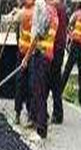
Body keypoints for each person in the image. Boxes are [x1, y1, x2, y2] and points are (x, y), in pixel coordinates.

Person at [20, 0, 58, 138]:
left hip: (41, 56)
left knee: (39, 92)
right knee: (39, 91)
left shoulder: (44, 11)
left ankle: (41, 130)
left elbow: (36, 36)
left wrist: (26, 58)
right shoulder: (53, 11)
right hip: (47, 56)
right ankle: (39, 125)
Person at [61, 1, 81, 106]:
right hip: (80, 46)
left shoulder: (78, 14)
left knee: (68, 69)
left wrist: (71, 34)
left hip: (76, 45)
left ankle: (59, 91)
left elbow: (70, 25)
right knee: (80, 73)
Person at [14, 0, 35, 125]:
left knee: (20, 83)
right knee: (30, 85)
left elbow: (15, 20)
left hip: (24, 52)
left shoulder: (22, 13)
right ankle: (29, 115)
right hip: (31, 54)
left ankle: (18, 113)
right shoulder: (35, 12)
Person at [48, 0, 67, 124]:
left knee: (51, 81)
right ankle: (56, 113)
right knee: (55, 81)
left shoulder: (55, 8)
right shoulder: (62, 8)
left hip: (55, 48)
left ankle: (56, 114)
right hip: (59, 48)